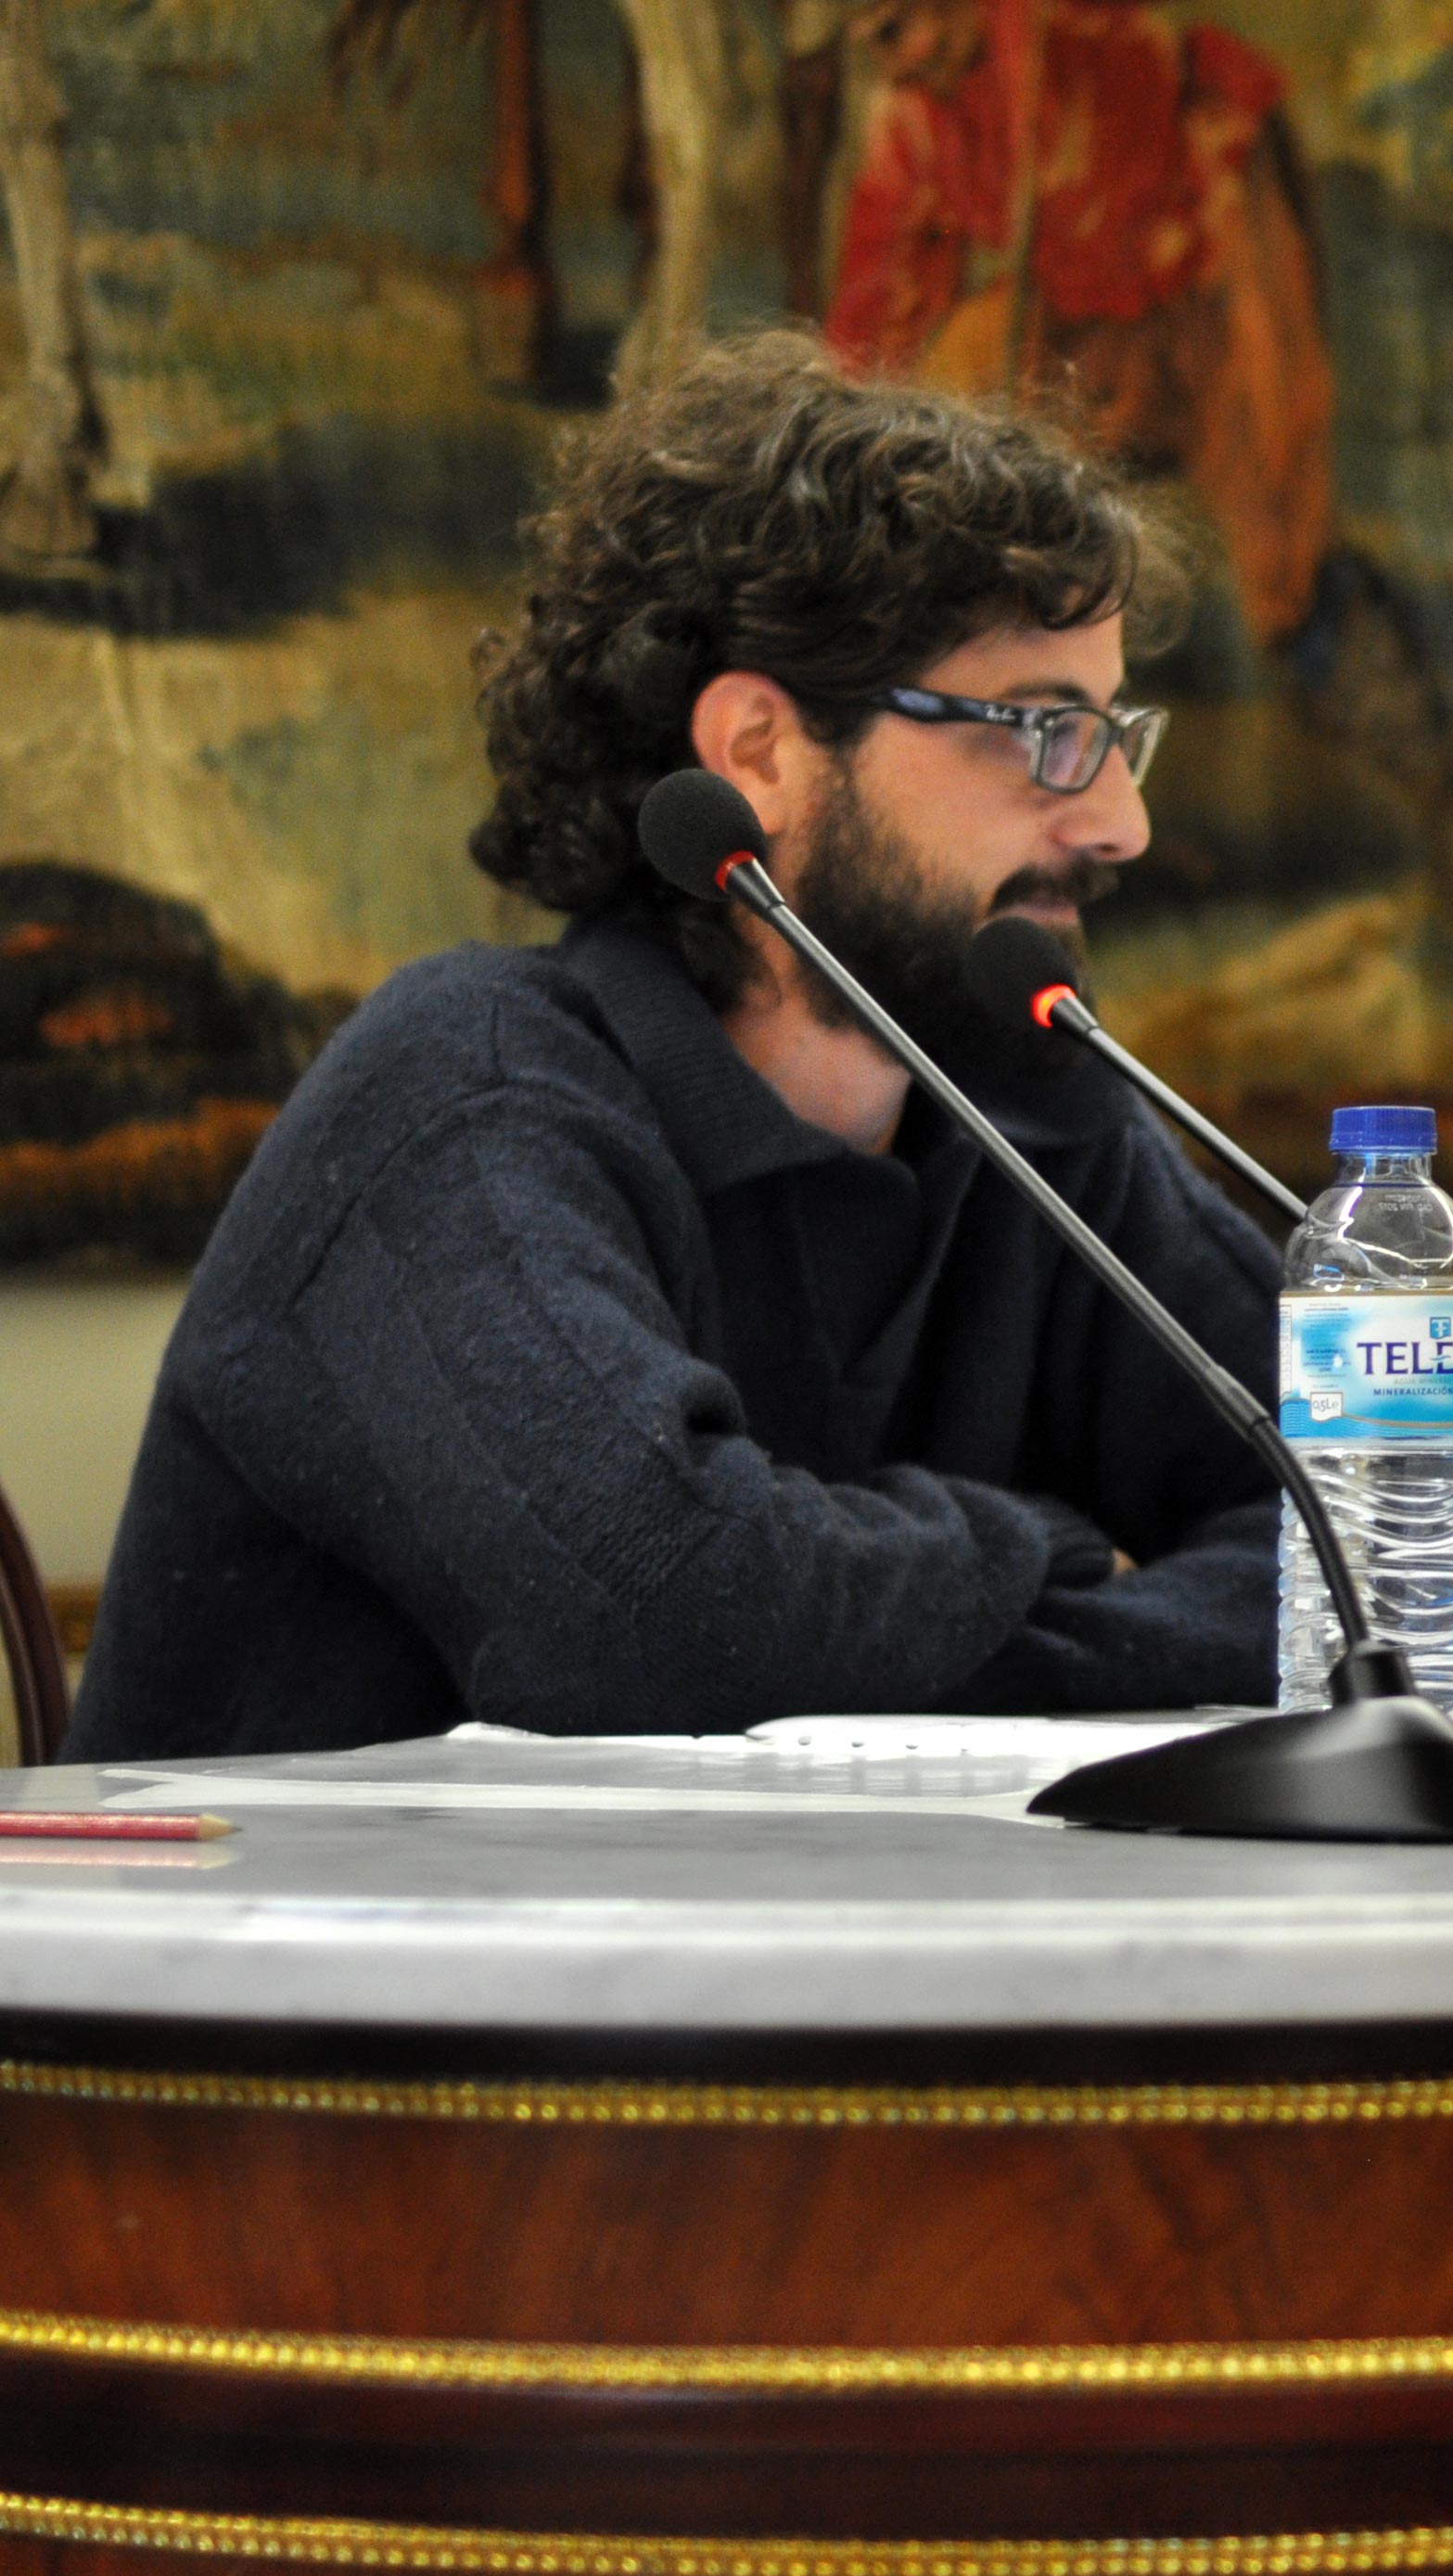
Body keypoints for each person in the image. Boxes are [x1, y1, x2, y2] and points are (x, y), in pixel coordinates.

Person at [68, 336, 1283, 1761]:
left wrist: (965, 1621)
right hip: (303, 1913)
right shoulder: (460, 1100)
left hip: (820, 1908)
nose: (1123, 822)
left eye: (1117, 734)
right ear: (759, 750)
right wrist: (1052, 1546)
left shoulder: (1039, 1116)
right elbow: (669, 1618)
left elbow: (1391, 1536)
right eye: (1043, 731)